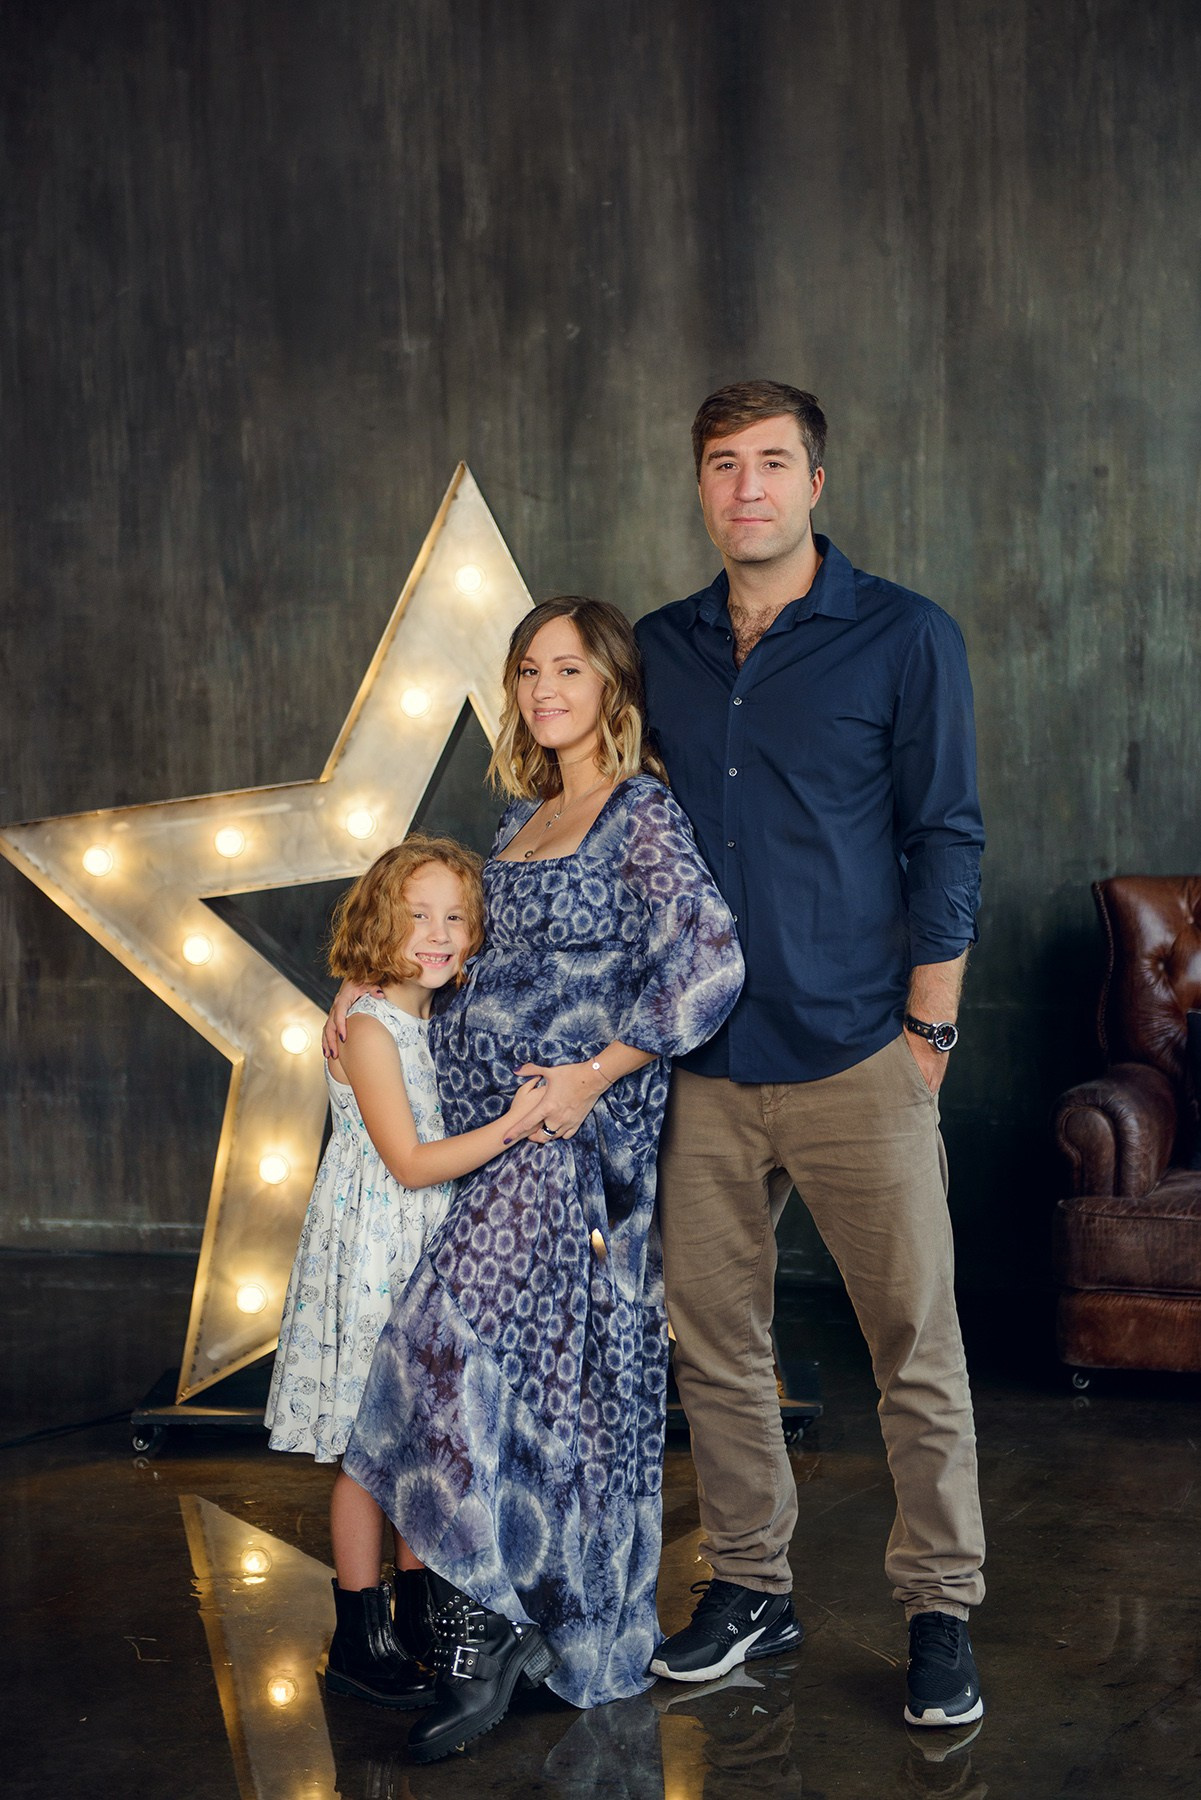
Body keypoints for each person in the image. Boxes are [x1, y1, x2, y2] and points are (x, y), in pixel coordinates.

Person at [326, 597, 744, 1761]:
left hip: (571, 1141)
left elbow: (708, 966)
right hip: (489, 1131)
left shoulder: (639, 813)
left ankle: (480, 1631)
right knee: (507, 1379)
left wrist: (588, 1079)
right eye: (527, 671)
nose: (544, 689)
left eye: (568, 668)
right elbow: (448, 952)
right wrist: (356, 995)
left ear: (612, 685)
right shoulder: (518, 821)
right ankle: (485, 1617)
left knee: (443, 1350)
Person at [635, 380, 986, 1729]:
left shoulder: (904, 637)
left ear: (815, 483)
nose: (746, 490)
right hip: (704, 1069)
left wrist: (929, 1025)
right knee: (717, 1348)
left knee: (915, 1344)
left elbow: (945, 831)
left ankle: (940, 1610)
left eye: (771, 464)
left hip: (857, 1055)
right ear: (702, 486)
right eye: (722, 466)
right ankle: (751, 1587)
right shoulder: (658, 648)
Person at [265, 835, 545, 1709]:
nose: (437, 932)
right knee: (367, 1451)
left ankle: (421, 1613)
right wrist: (517, 1123)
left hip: (426, 1251)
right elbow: (412, 1162)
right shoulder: (372, 1030)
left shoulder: (424, 1015)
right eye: (415, 915)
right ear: (374, 923)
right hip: (378, 1251)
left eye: (455, 918)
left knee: (419, 1442)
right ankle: (359, 1629)